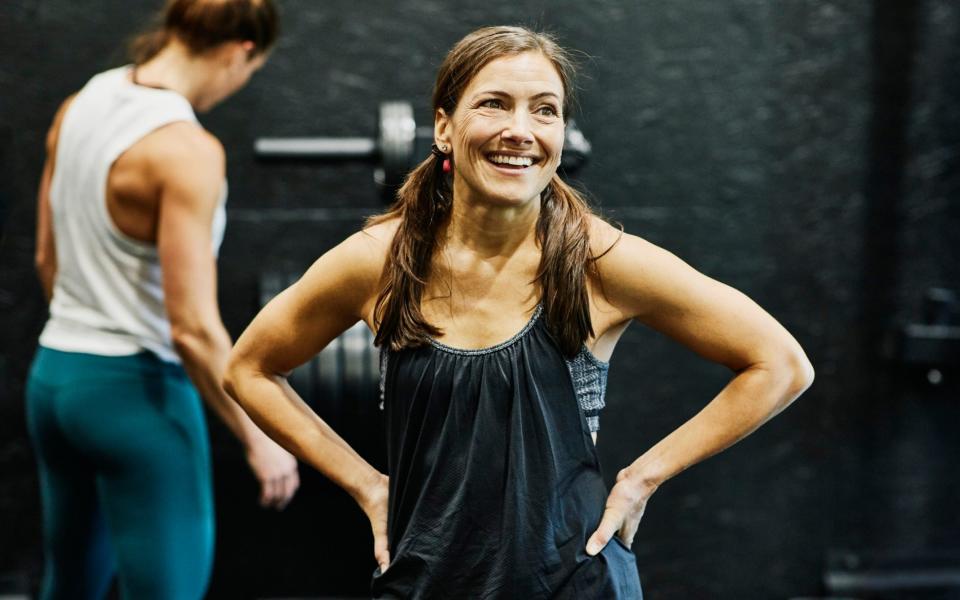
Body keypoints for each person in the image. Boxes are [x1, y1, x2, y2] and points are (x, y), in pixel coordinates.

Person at [224, 25, 815, 599]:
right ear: (443, 128)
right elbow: (248, 368)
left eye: (544, 110)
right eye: (494, 105)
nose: (519, 130)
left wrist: (643, 478)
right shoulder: (380, 261)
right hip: (425, 578)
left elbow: (781, 364)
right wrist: (367, 487)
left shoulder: (599, 261)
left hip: (572, 580)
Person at [27, 1, 298, 598]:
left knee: (68, 586)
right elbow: (193, 330)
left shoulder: (81, 103)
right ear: (240, 52)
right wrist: (259, 438)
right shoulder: (186, 151)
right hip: (137, 398)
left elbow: (48, 259)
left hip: (53, 382)